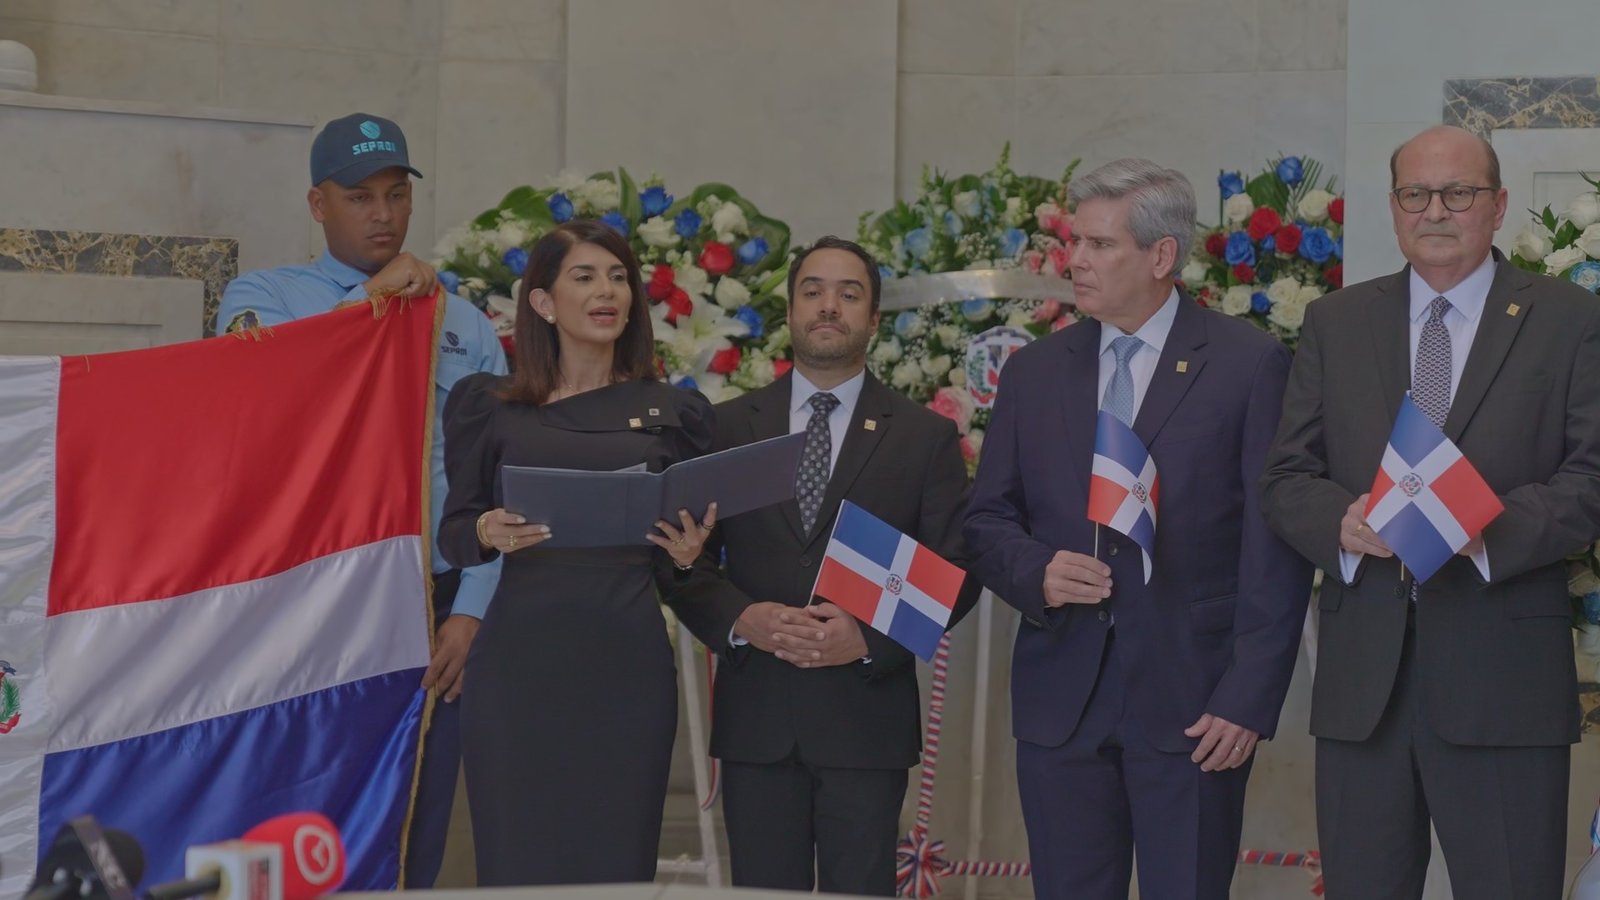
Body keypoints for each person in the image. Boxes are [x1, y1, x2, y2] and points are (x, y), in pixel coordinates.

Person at [1260, 125, 1600, 899]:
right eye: (1416, 194)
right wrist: (1339, 524)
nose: (1435, 210)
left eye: (1459, 193)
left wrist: (1480, 530)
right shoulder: (1336, 322)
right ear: (1393, 207)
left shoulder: (1570, 318)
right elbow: (1285, 476)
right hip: (1363, 691)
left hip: (1503, 681)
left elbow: (1592, 476)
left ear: (1498, 205)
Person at [963, 159, 1313, 900]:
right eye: (1074, 242)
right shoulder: (1034, 372)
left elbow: (1271, 543)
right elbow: (988, 517)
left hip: (1194, 704)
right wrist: (1038, 572)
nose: (1075, 262)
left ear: (1161, 256)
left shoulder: (1248, 365)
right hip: (1062, 701)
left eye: (1098, 245)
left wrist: (1248, 697)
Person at [215, 112, 503, 888]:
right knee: (294, 813)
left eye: (395, 195)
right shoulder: (264, 296)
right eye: (359, 197)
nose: (382, 215)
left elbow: (494, 477)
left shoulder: (467, 325)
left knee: (415, 819)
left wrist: (473, 607)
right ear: (318, 205)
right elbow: (262, 406)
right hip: (308, 599)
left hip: (430, 597)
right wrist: (370, 305)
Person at [660, 236, 978, 896]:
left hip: (866, 721)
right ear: (790, 311)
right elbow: (683, 558)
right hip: (758, 722)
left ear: (874, 318)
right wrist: (740, 616)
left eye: (849, 293)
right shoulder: (726, 429)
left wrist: (869, 637)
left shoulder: (924, 437)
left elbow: (960, 566)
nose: (829, 306)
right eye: (813, 291)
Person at [438, 219, 715, 885]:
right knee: (516, 867)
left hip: (626, 668)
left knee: (615, 869)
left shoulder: (673, 411)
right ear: (541, 302)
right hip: (517, 671)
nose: (607, 291)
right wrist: (486, 533)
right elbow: (454, 532)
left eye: (619, 277)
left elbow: (693, 560)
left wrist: (689, 552)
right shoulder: (491, 406)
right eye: (585, 277)